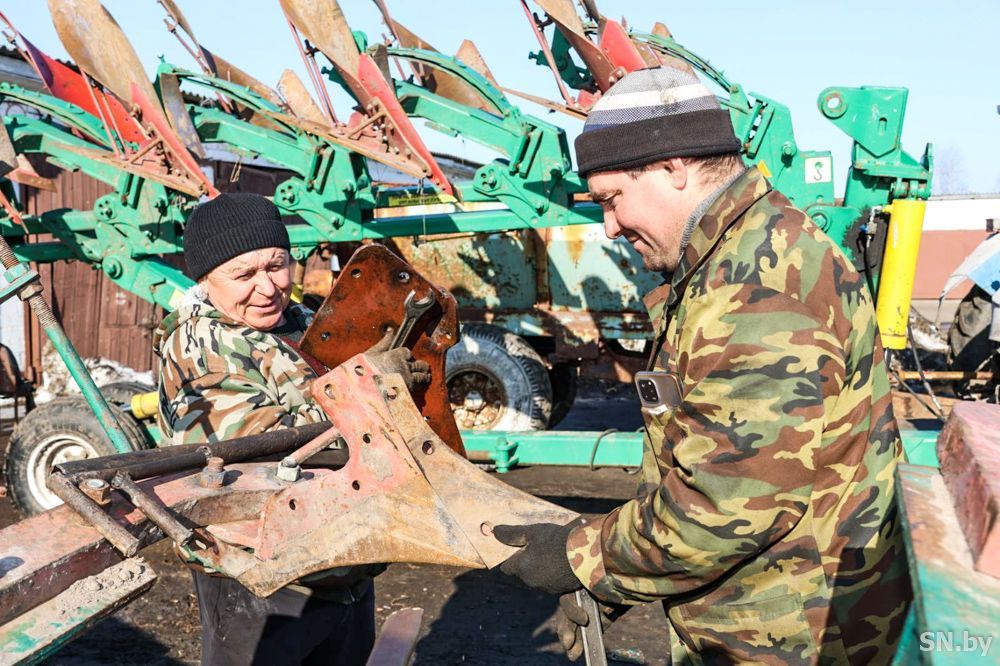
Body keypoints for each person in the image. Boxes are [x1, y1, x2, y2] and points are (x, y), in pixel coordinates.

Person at [494, 67, 911, 663]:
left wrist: (579, 558)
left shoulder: (757, 291)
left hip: (798, 638)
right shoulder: (735, 255)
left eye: (612, 200)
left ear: (673, 169)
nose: (609, 226)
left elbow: (722, 507)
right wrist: (610, 582)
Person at [154, 193, 427, 665]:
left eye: (277, 266)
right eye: (243, 275)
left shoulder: (304, 321)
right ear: (204, 279)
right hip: (264, 579)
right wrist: (373, 388)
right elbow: (258, 457)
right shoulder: (199, 345)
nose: (267, 288)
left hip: (340, 562)